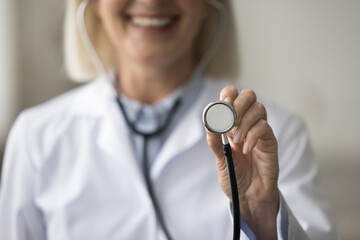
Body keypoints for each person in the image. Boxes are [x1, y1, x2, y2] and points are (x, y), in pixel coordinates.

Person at [0, 0, 337, 239]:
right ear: (94, 4)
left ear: (210, 4)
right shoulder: (35, 138)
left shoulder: (271, 135)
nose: (151, 1)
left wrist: (261, 215)